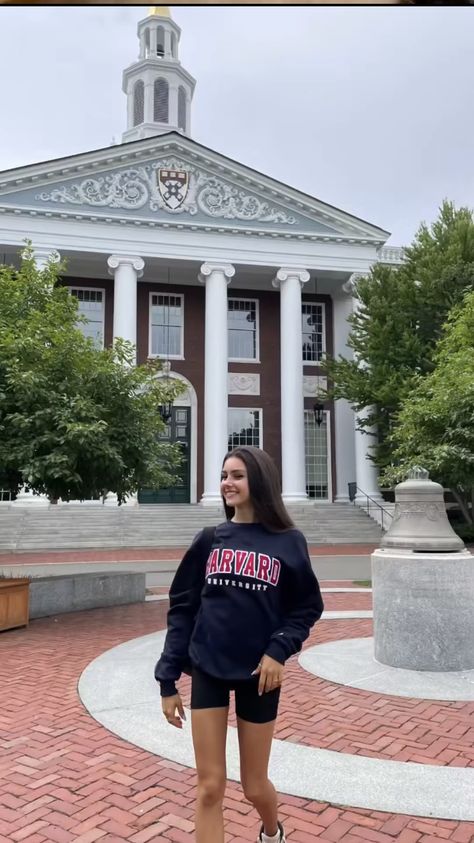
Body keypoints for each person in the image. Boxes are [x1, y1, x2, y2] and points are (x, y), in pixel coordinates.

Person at [155, 445, 324, 843]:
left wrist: (278, 650)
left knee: (253, 785)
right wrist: (167, 680)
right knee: (210, 786)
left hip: (258, 675)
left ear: (259, 481)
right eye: (224, 475)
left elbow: (306, 607)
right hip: (208, 667)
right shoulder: (209, 539)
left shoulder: (289, 542)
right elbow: (182, 610)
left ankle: (271, 830)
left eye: (237, 476)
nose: (227, 483)